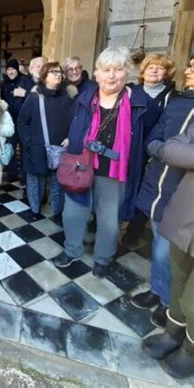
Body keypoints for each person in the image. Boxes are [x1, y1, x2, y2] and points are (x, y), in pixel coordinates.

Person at [54, 47, 151, 279]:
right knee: (73, 213)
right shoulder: (84, 98)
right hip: (82, 164)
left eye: (118, 69)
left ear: (127, 72)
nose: (111, 75)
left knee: (108, 220)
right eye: (106, 70)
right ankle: (72, 250)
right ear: (97, 73)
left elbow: (147, 138)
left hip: (114, 171)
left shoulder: (140, 102)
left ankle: (102, 258)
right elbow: (73, 126)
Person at [130, 58, 194, 327]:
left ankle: (171, 306)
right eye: (189, 64)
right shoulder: (177, 102)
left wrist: (171, 152)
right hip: (158, 181)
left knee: (172, 252)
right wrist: (167, 152)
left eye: (193, 66)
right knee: (158, 243)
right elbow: (153, 138)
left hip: (183, 191)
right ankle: (158, 291)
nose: (188, 70)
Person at [141, 117, 194, 379]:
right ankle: (173, 334)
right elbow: (172, 148)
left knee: (193, 299)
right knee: (179, 280)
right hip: (187, 216)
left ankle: (191, 349)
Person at [123, 54, 178, 250]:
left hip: (156, 150)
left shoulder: (174, 98)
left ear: (167, 73)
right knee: (123, 184)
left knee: (147, 191)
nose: (154, 70)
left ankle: (133, 232)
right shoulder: (130, 92)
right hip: (130, 147)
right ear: (143, 71)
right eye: (150, 67)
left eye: (160, 67)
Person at [18, 62, 75, 223]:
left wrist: (71, 137)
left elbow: (76, 120)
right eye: (53, 72)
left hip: (61, 148)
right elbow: (22, 121)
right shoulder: (34, 97)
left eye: (59, 72)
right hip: (37, 147)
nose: (58, 74)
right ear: (44, 77)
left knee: (59, 182)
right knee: (36, 181)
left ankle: (57, 212)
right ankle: (35, 210)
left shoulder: (68, 97)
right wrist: (29, 142)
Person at [1, 58, 33, 182]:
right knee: (10, 147)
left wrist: (24, 93)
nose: (11, 72)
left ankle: (25, 176)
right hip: (10, 122)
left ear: (17, 70)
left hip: (24, 122)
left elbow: (33, 95)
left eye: (13, 69)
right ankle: (12, 172)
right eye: (8, 69)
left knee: (24, 149)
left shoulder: (25, 80)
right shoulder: (4, 83)